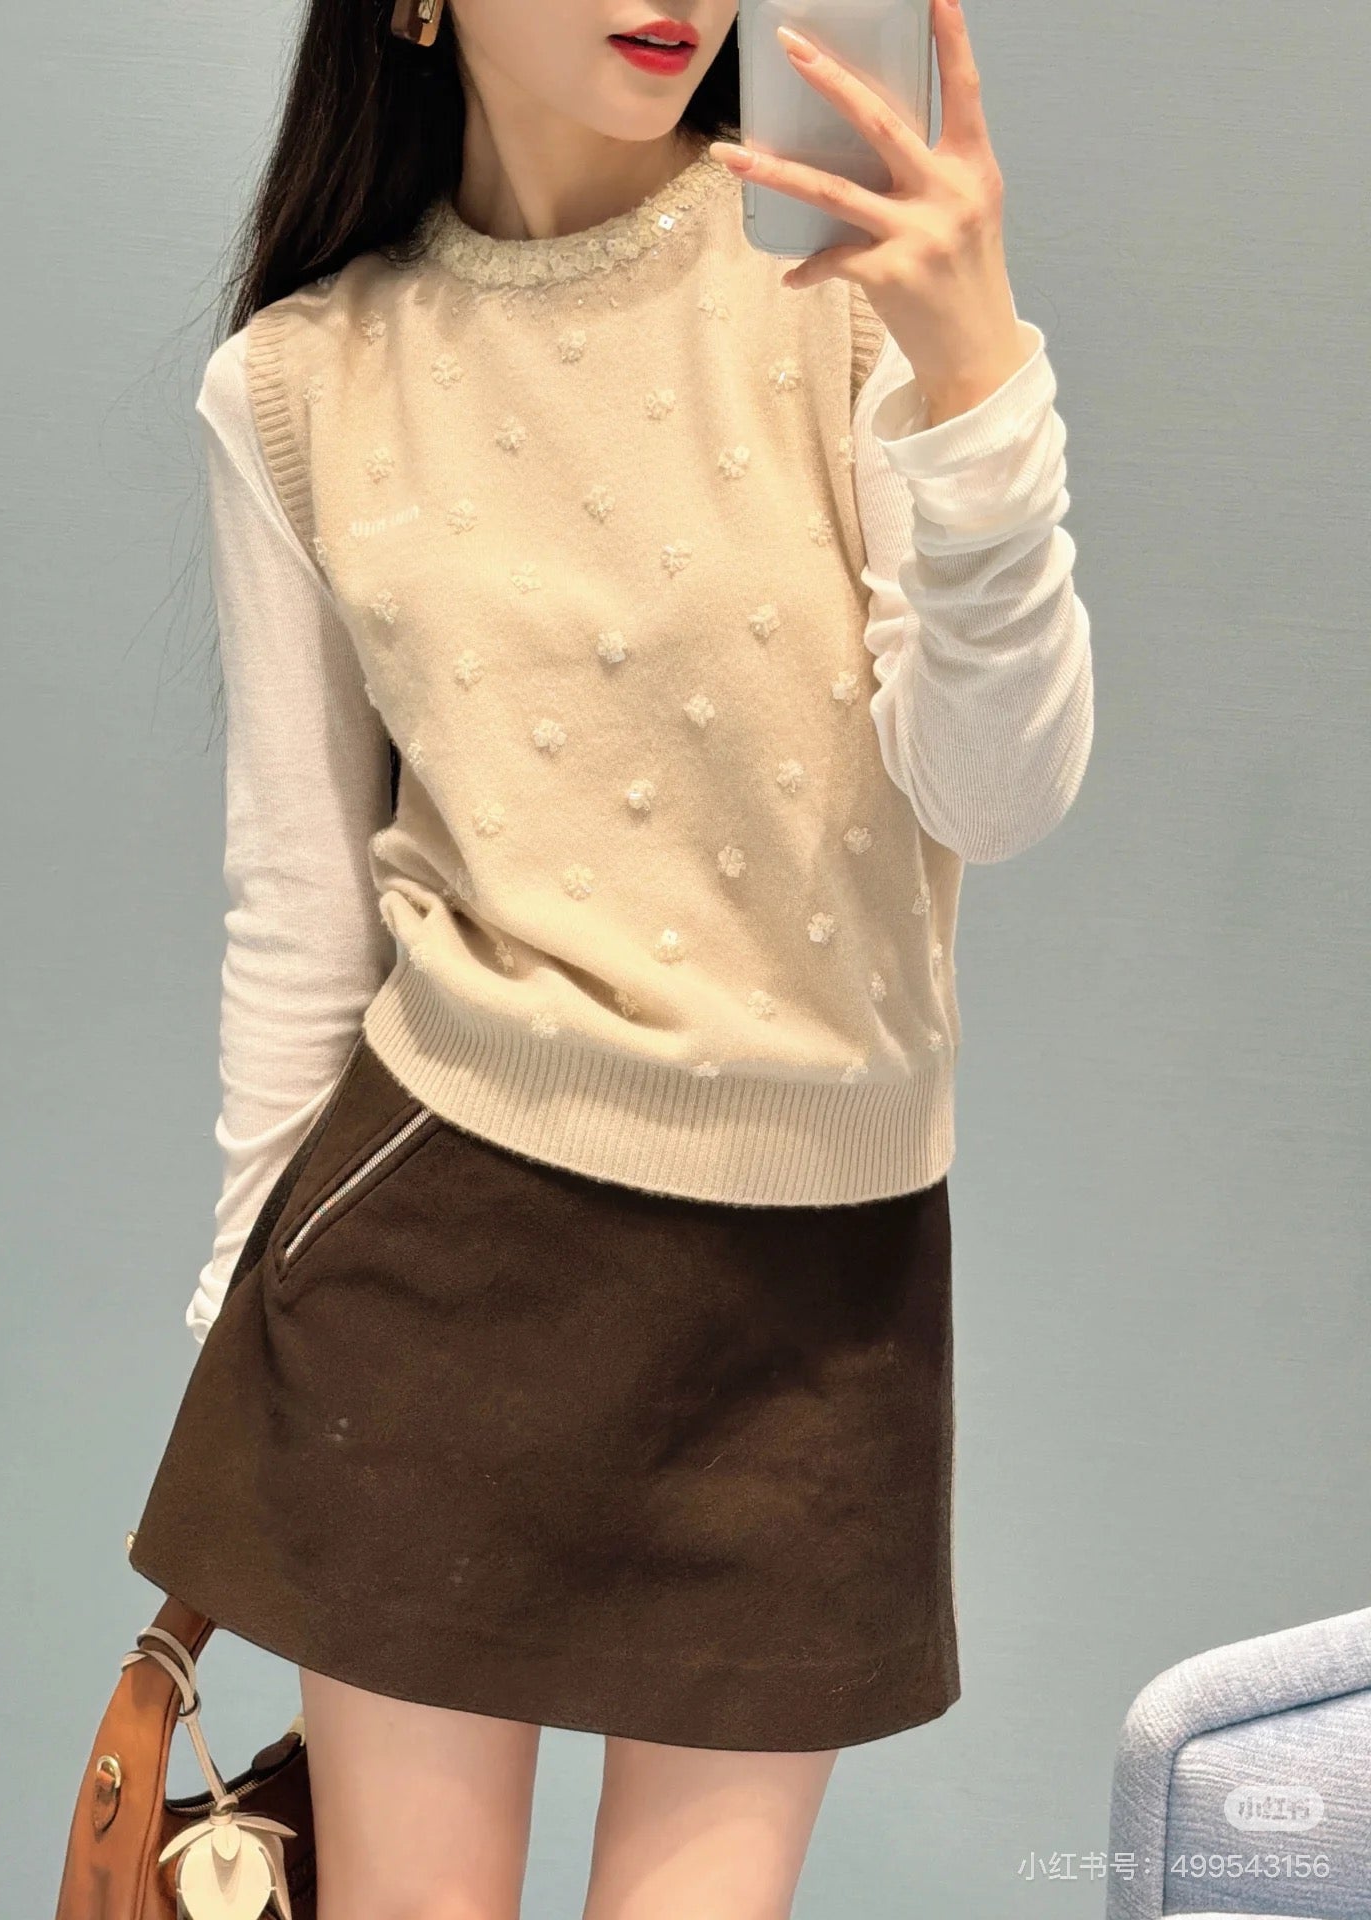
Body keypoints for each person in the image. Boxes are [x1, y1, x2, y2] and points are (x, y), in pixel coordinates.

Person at [127, 0, 1093, 1914]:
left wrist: (981, 380)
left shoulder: (851, 301)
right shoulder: (301, 383)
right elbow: (300, 912)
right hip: (430, 1268)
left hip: (813, 1302)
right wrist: (246, 1373)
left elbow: (998, 793)